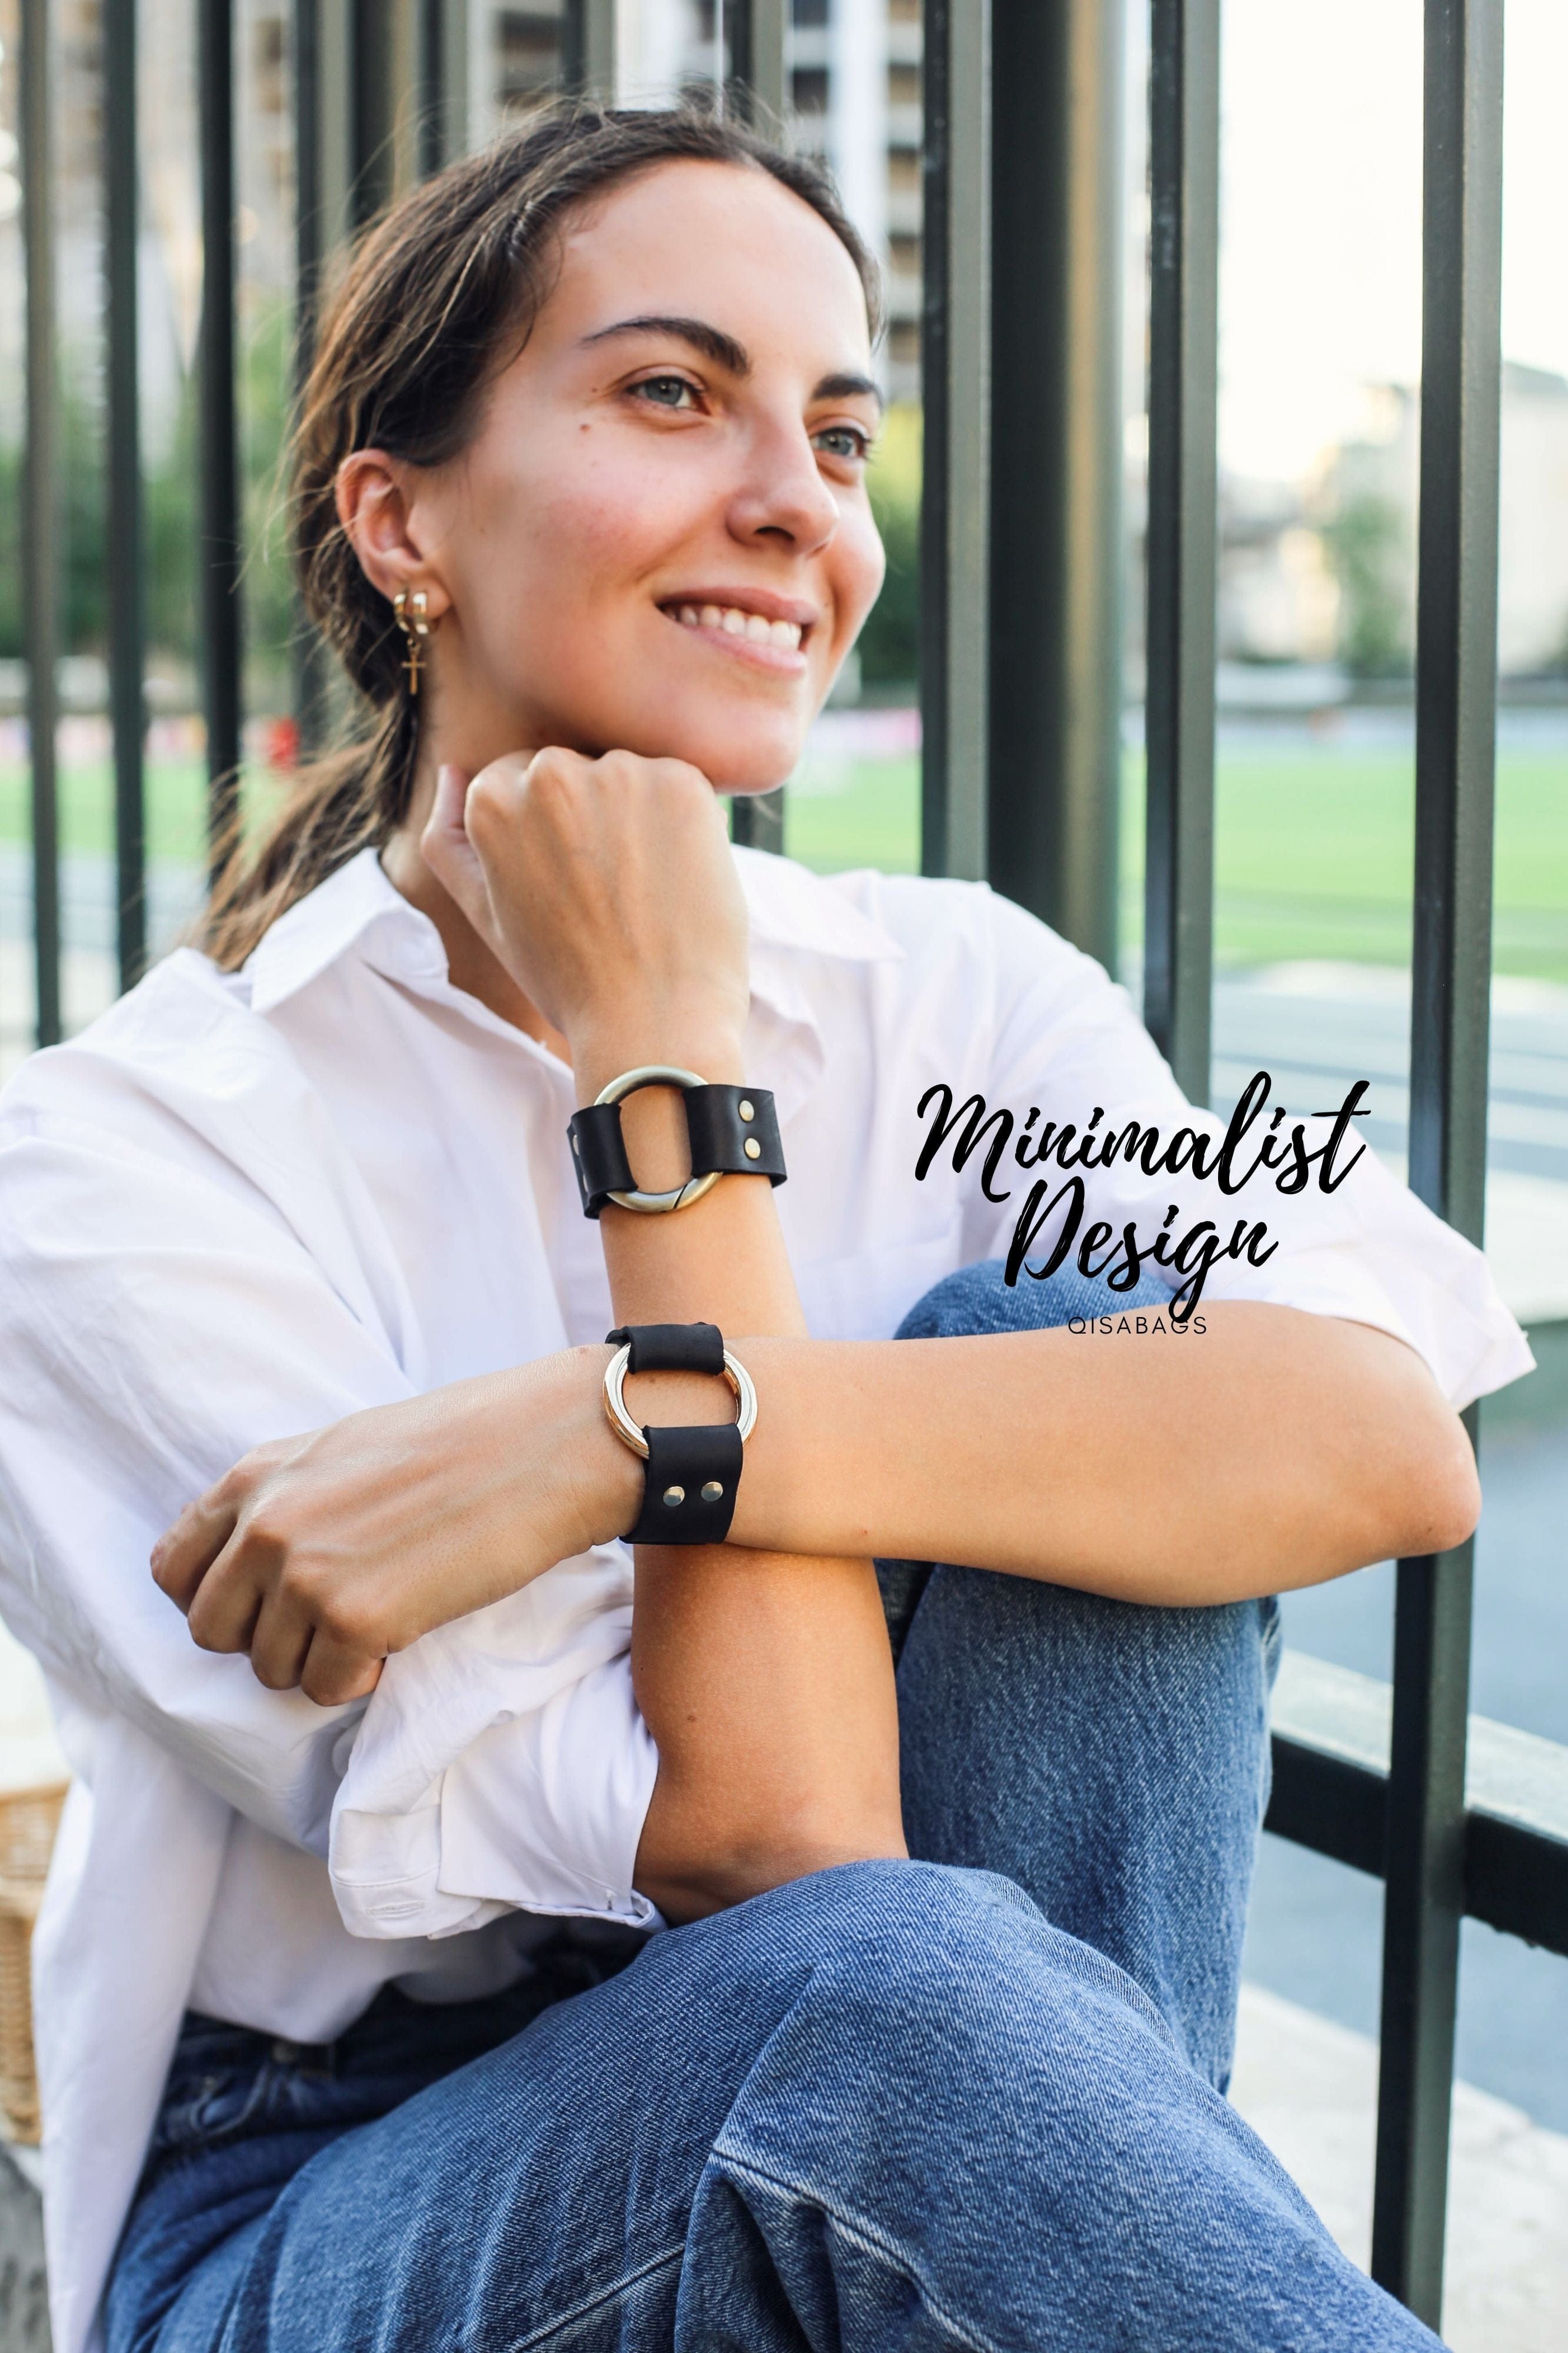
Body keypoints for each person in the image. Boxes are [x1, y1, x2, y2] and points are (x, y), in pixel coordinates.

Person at [0, 105, 1530, 2353]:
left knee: (1078, 1318)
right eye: (670, 391)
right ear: (397, 515)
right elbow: (782, 1857)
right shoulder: (111, 1165)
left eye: (836, 429)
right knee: (892, 1975)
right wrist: (662, 1067)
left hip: (980, 2070)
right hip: (342, 2188)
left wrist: (624, 1431)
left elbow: (1376, 1426)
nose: (798, 501)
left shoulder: (954, 988)